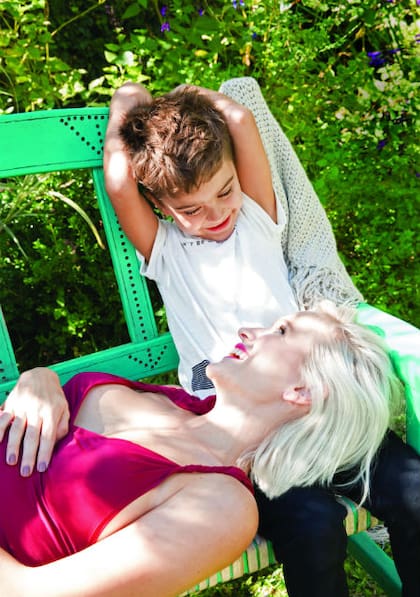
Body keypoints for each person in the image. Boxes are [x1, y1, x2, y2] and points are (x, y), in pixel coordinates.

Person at [2, 77, 419, 596]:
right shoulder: (165, 253)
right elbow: (117, 179)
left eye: (224, 192)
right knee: (310, 524)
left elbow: (241, 121)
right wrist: (130, 100)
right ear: (162, 207)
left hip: (313, 401)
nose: (217, 213)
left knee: (414, 490)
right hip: (242, 439)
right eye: (191, 209)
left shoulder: (258, 219)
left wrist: (200, 99)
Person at [0, 305, 400, 597]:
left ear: (302, 391)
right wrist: (41, 379)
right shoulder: (172, 399)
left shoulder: (220, 507)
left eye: (280, 332)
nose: (247, 331)